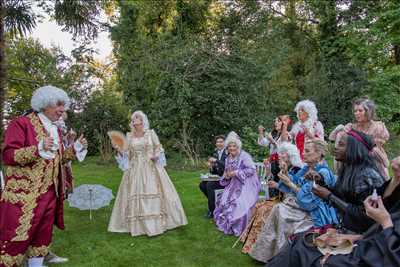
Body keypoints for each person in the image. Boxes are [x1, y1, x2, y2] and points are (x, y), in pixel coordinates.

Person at [0, 85, 88, 267]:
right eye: (58, 105)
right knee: (15, 240)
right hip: (24, 197)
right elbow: (8, 155)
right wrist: (37, 149)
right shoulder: (21, 124)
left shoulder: (54, 129)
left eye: (64, 105)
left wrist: (75, 148)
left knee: (41, 239)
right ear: (45, 104)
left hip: (49, 195)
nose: (62, 110)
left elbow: (58, 159)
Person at [266, 158, 400, 267]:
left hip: (369, 257)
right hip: (365, 244)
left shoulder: (364, 174)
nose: (335, 149)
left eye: (341, 145)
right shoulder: (311, 169)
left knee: (300, 247)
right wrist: (357, 238)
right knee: (300, 240)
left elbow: (393, 252)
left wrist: (384, 221)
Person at [249, 139, 338, 263]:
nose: (303, 154)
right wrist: (285, 172)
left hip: (316, 212)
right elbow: (295, 181)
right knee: (278, 209)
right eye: (303, 151)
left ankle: (284, 258)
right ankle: (270, 255)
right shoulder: (306, 167)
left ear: (319, 154)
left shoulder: (323, 172)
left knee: (282, 213)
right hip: (302, 206)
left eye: (307, 151)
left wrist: (289, 183)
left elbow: (308, 200)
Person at [108, 111, 187, 236]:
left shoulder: (151, 134)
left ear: (142, 121)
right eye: (133, 118)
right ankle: (137, 226)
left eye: (137, 117)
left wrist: (156, 156)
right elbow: (127, 153)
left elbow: (159, 147)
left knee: (154, 191)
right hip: (135, 168)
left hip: (150, 166)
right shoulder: (129, 136)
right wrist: (119, 150)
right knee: (134, 193)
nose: (134, 120)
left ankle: (156, 224)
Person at [313, 129, 386, 233]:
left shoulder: (367, 175)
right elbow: (345, 197)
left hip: (367, 235)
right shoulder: (348, 169)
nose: (336, 148)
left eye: (341, 144)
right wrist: (321, 183)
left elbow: (366, 215)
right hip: (349, 227)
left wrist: (330, 196)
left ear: (354, 149)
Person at [240, 142, 303, 253]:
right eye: (280, 153)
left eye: (283, 153)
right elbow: (270, 178)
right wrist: (268, 168)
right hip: (280, 198)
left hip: (291, 202)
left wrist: (277, 184)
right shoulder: (280, 166)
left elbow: (291, 188)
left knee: (263, 209)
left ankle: (262, 246)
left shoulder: (296, 169)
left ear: (290, 155)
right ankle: (253, 242)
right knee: (258, 206)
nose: (280, 155)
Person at [330, 97, 390, 179]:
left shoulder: (378, 127)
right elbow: (333, 139)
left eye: (360, 111)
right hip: (353, 164)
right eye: (355, 111)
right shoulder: (351, 127)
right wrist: (340, 130)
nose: (356, 113)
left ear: (368, 111)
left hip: (373, 163)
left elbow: (377, 147)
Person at [213, 132, 260, 236]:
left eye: (234, 146)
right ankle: (228, 223)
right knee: (224, 200)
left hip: (246, 183)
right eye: (229, 146)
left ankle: (238, 225)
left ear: (238, 146)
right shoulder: (228, 158)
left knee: (240, 204)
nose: (232, 148)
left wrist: (236, 172)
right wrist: (227, 175)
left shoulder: (244, 156)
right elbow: (226, 172)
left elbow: (252, 169)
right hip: (233, 184)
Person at [258, 115, 291, 197]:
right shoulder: (273, 134)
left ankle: (280, 202)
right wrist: (261, 132)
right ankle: (272, 202)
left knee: (280, 184)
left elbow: (283, 148)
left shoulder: (287, 134)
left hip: (281, 163)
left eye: (278, 121)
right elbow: (263, 143)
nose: (275, 122)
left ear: (283, 123)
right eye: (275, 121)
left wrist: (272, 141)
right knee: (271, 183)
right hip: (272, 162)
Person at [199, 135, 228, 218]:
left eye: (221, 142)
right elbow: (214, 171)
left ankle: (212, 211)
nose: (219, 143)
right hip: (218, 178)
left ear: (225, 143)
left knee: (210, 185)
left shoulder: (228, 152)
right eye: (217, 142)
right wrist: (211, 167)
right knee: (202, 184)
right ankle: (215, 204)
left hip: (227, 180)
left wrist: (216, 161)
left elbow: (226, 165)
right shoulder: (216, 153)